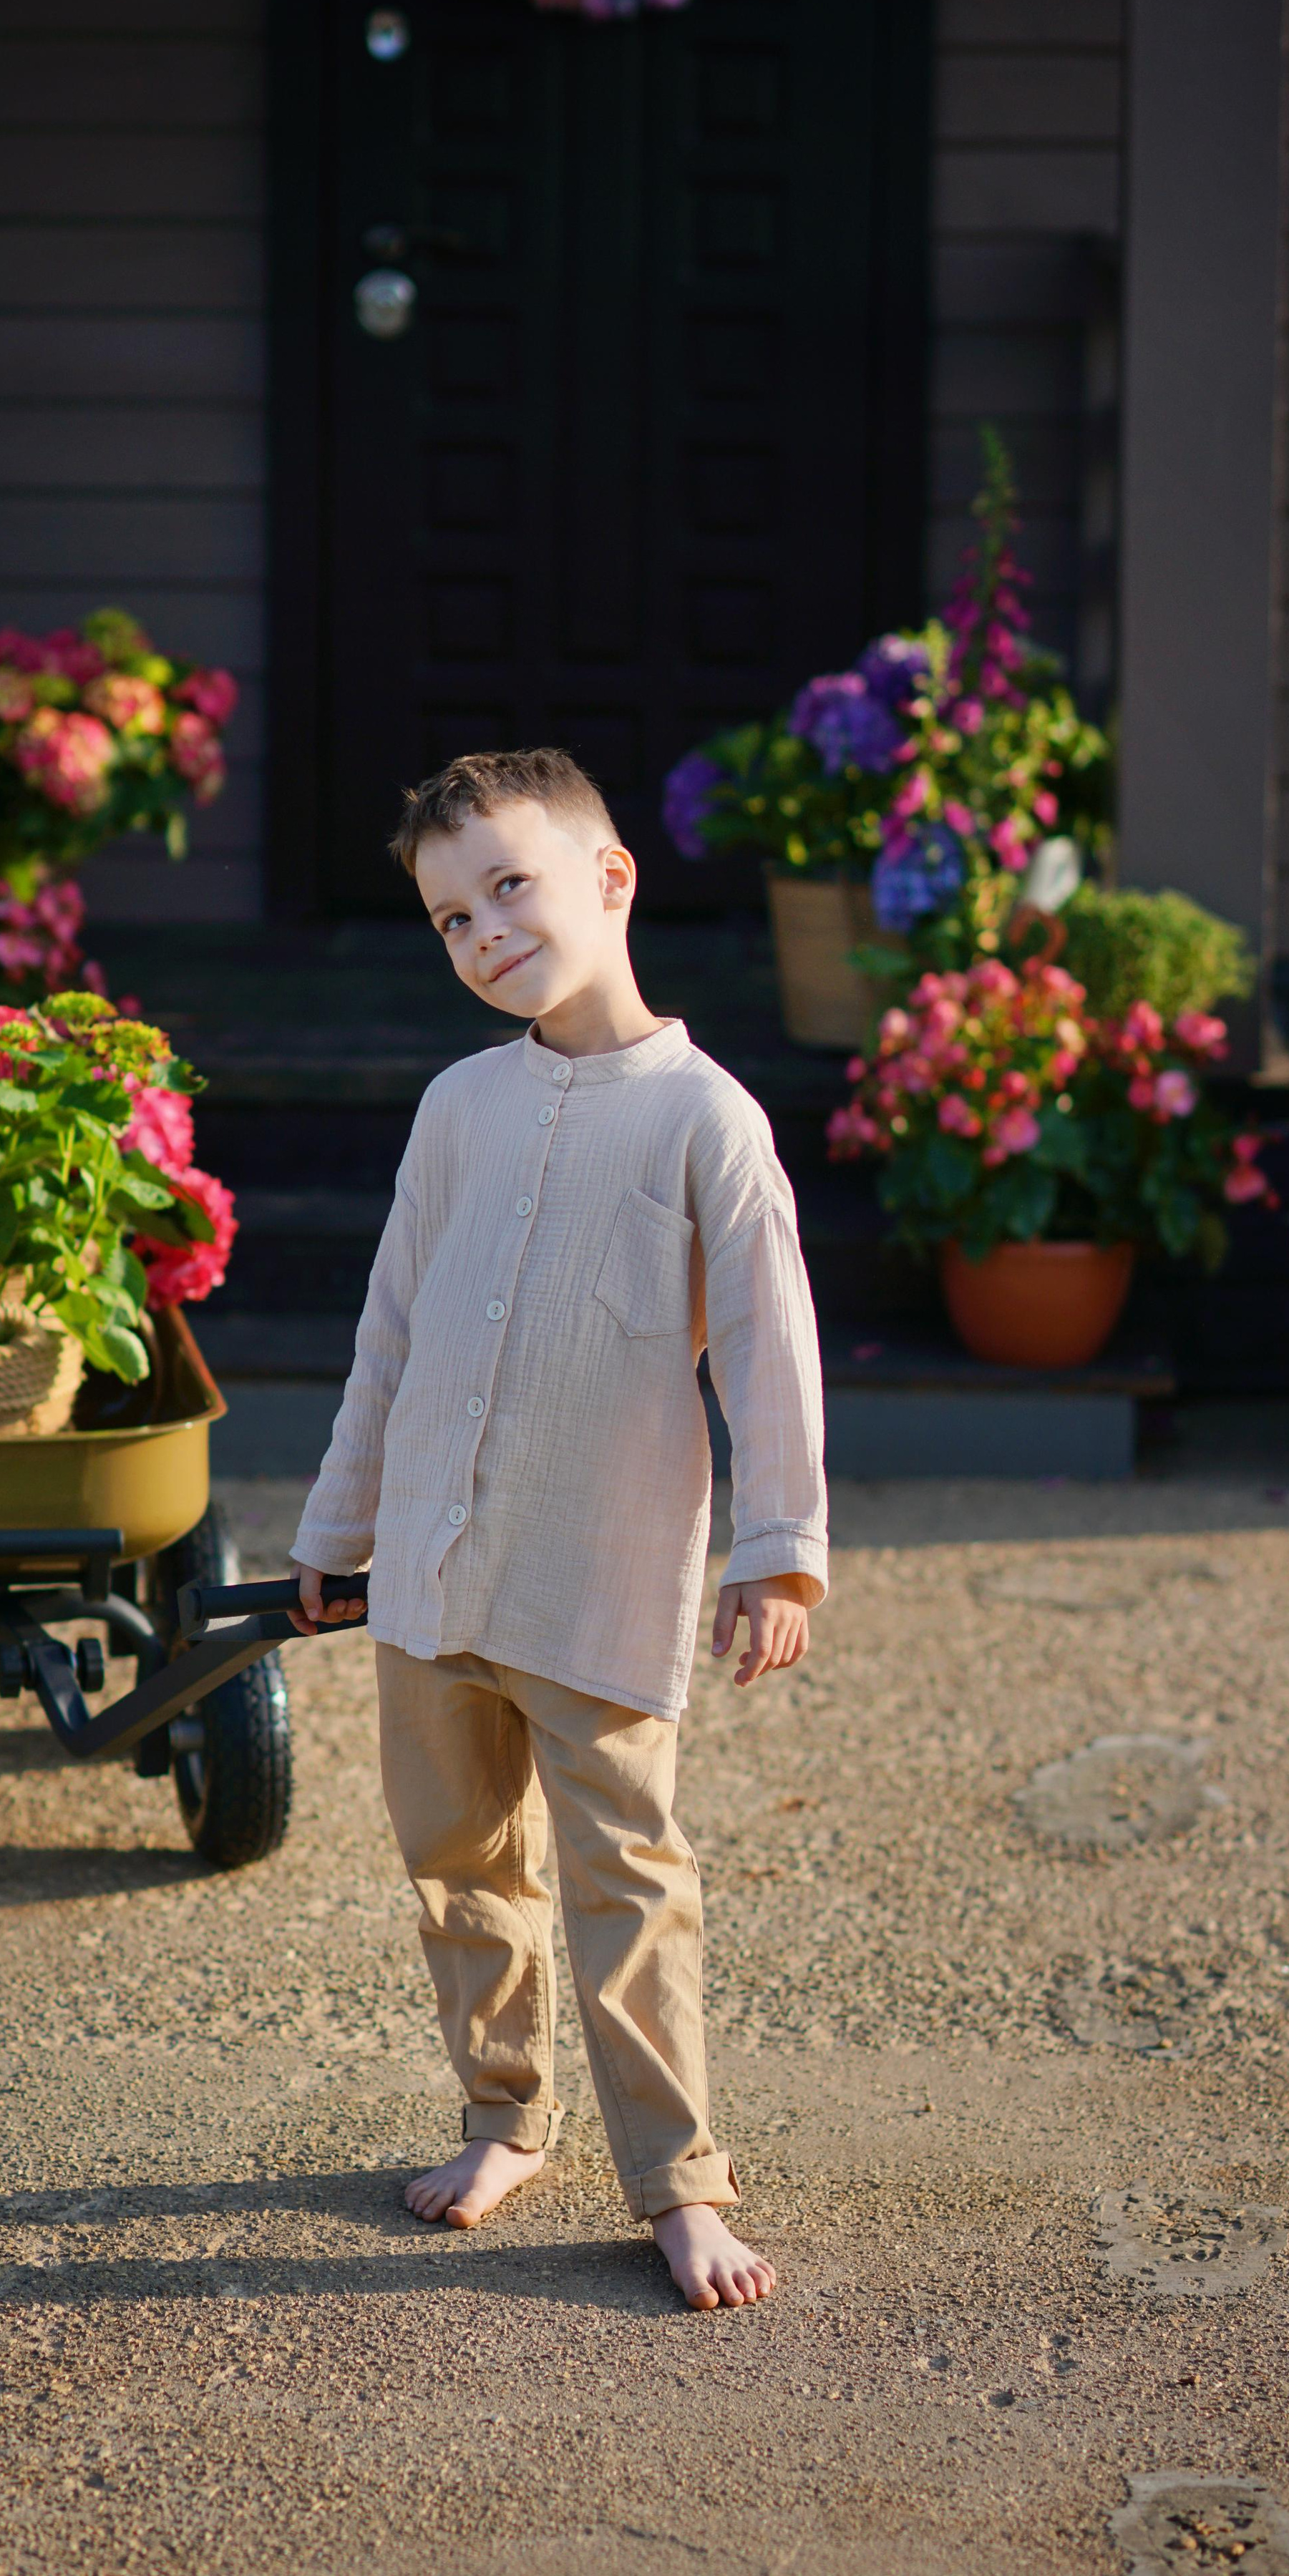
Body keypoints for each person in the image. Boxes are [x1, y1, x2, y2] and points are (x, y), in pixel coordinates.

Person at [288, 748, 827, 2311]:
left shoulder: (705, 1123)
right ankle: (501, 2114)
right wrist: (339, 1525)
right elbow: (387, 1331)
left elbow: (773, 1347)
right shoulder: (455, 1108)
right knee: (457, 1865)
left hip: (594, 1583)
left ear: (608, 878)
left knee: (624, 1877)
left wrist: (775, 1547)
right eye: (450, 916)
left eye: (506, 886)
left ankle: (676, 2179)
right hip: (431, 1586)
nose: (480, 932)